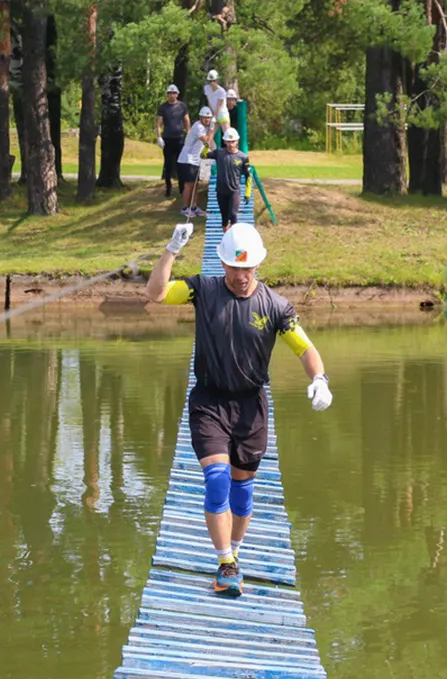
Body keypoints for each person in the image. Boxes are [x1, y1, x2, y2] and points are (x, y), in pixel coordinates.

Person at [144, 221, 333, 597]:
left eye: (249, 268)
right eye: (235, 267)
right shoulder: (203, 289)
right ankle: (225, 561)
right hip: (210, 401)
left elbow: (305, 348)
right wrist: (171, 250)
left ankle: (236, 553)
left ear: (259, 266)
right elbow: (157, 294)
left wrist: (320, 378)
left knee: (242, 493)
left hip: (251, 407)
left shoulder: (276, 306)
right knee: (217, 480)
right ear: (223, 264)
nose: (242, 275)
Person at [176, 106, 216, 218]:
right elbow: (207, 141)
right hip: (187, 159)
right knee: (189, 185)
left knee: (195, 185)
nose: (207, 120)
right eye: (205, 118)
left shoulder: (206, 128)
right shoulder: (198, 126)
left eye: (209, 118)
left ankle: (194, 207)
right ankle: (184, 208)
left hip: (196, 160)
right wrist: (212, 128)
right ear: (200, 117)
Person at [210, 127, 250, 233]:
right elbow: (203, 155)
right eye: (228, 141)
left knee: (233, 215)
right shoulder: (219, 153)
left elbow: (248, 175)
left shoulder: (243, 157)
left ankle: (233, 238)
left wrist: (247, 192)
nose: (231, 144)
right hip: (221, 190)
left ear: (237, 141)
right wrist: (206, 144)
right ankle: (226, 238)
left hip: (234, 191)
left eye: (233, 141)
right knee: (224, 217)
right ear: (224, 141)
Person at [155, 84, 190, 198]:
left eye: (174, 93)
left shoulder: (182, 106)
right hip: (167, 139)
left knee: (181, 164)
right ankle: (168, 187)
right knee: (168, 165)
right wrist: (159, 137)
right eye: (170, 93)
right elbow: (159, 123)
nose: (172, 95)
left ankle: (181, 188)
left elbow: (186, 121)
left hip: (180, 138)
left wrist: (189, 134)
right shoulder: (163, 107)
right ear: (167, 94)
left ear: (177, 94)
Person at [204, 70, 230, 137]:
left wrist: (215, 116)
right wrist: (211, 114)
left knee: (228, 135)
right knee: (209, 135)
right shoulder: (206, 88)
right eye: (210, 81)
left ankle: (234, 147)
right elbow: (209, 102)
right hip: (213, 114)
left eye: (214, 81)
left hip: (222, 114)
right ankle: (210, 148)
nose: (212, 83)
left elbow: (219, 105)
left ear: (217, 80)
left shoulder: (221, 91)